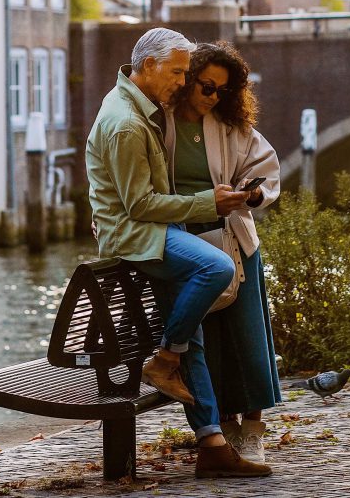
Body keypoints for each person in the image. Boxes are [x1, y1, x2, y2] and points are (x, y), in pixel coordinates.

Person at [85, 27, 272, 478]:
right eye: (178, 72)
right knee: (215, 267)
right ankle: (166, 359)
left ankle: (211, 444)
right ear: (148, 66)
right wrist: (209, 202)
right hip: (139, 233)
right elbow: (139, 205)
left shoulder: (141, 109)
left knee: (198, 340)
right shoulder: (129, 122)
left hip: (156, 230)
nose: (182, 82)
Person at [164, 41, 282, 464]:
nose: (212, 96)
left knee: (248, 344)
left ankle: (253, 430)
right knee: (208, 348)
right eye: (206, 86)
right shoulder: (159, 124)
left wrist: (251, 196)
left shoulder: (230, 125)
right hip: (184, 248)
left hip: (232, 243)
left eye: (222, 91)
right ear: (186, 79)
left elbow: (264, 168)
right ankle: (222, 430)